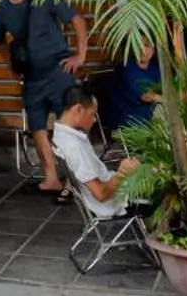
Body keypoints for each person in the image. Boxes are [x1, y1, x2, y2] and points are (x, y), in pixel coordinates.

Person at [0, 0, 89, 196]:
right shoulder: (1, 10)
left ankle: (77, 179)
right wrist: (11, 67)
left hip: (58, 70)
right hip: (32, 76)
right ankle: (51, 178)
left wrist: (80, 55)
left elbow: (77, 19)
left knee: (70, 124)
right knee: (37, 125)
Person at [50, 86, 142, 219]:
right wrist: (122, 173)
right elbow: (100, 195)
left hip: (114, 189)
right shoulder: (74, 146)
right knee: (168, 186)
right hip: (114, 203)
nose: (94, 120)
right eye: (92, 114)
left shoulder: (61, 135)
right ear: (78, 109)